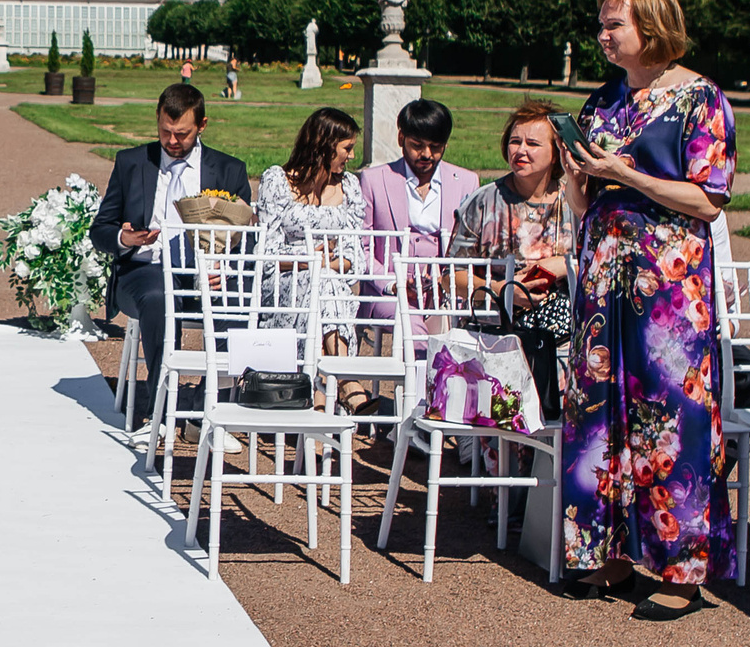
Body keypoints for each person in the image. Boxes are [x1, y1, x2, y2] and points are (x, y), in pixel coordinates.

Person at [555, 0, 736, 620]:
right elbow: (580, 200)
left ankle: (681, 574)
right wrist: (579, 176)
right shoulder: (600, 103)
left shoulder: (699, 99)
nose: (603, 35)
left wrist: (625, 172)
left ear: (652, 23)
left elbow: (709, 199)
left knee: (667, 416)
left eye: (614, 24)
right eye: (601, 23)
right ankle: (604, 556)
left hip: (667, 284)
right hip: (602, 272)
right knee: (597, 411)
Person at [89, 82, 250, 432]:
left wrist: (222, 265)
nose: (172, 141)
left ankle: (214, 407)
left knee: (238, 297)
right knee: (161, 299)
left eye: (182, 133)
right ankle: (163, 408)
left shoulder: (229, 170)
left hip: (205, 272)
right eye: (165, 132)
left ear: (202, 125)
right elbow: (99, 230)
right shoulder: (132, 162)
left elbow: (245, 239)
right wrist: (124, 237)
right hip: (145, 269)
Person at [449, 100, 579, 414]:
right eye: (514, 141)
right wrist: (503, 289)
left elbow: (595, 264)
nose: (520, 150)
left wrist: (560, 265)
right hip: (495, 331)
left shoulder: (575, 203)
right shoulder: (482, 203)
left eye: (533, 143)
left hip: (560, 338)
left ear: (556, 152)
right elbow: (451, 275)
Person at [255, 105, 366, 323]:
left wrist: (325, 266)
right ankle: (336, 357)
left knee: (326, 284)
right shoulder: (278, 181)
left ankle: (326, 356)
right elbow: (266, 256)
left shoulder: (349, 185)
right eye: (347, 148)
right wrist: (310, 260)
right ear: (326, 146)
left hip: (333, 282)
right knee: (323, 285)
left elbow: (356, 258)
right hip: (283, 284)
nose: (352, 156)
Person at [358, 99, 479, 261]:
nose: (426, 154)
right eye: (417, 145)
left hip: (445, 283)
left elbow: (472, 247)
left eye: (435, 146)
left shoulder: (466, 182)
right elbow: (362, 246)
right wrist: (391, 285)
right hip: (389, 281)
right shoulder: (374, 180)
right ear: (401, 138)